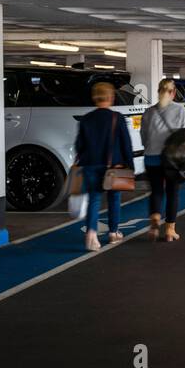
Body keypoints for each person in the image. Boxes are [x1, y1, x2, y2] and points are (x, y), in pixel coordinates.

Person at [73, 80, 134, 252]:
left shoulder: (85, 119)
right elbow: (126, 143)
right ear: (111, 97)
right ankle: (113, 233)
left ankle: (91, 235)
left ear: (95, 97)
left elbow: (79, 145)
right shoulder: (117, 118)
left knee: (94, 199)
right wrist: (130, 165)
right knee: (114, 199)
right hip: (114, 166)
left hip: (91, 165)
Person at [140, 77, 185, 242]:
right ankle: (170, 230)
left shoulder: (149, 112)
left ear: (159, 92)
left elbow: (144, 137)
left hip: (151, 158)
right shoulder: (180, 110)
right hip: (172, 160)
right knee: (172, 193)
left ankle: (155, 217)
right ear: (173, 93)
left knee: (156, 192)